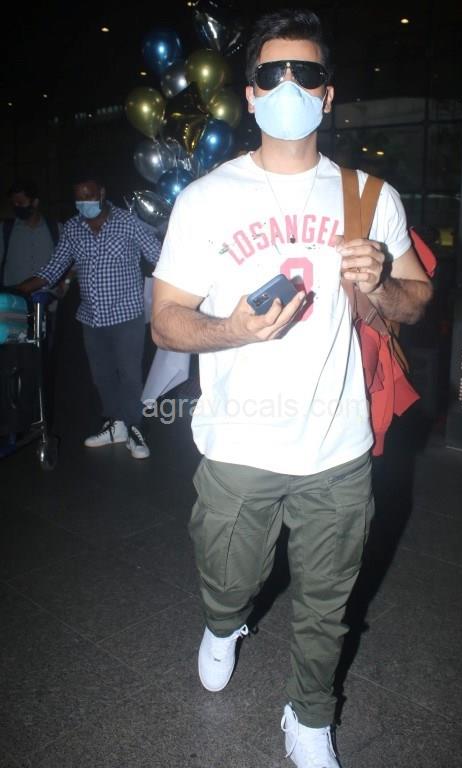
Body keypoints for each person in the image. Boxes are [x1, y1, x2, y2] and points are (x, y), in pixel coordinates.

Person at [151, 8, 432, 767]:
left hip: (336, 447)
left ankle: (309, 715)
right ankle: (223, 621)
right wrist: (234, 330)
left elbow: (415, 301)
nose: (288, 88)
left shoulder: (370, 197)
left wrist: (381, 285)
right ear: (249, 96)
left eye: (304, 74)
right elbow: (166, 322)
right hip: (240, 441)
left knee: (327, 600)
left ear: (327, 93)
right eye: (271, 75)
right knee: (228, 578)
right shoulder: (207, 198)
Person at [17, 173, 161, 459]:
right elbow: (53, 268)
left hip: (126, 314)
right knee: (102, 376)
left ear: (102, 193)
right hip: (92, 318)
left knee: (129, 376)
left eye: (89, 196)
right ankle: (115, 425)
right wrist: (18, 290)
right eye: (79, 198)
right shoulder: (73, 228)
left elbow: (158, 256)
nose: (84, 202)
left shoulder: (128, 222)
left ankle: (135, 427)